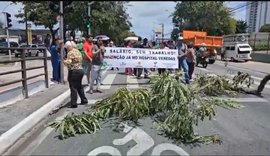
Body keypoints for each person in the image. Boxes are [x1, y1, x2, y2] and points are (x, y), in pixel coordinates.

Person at [63, 41, 88, 108]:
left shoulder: (70, 53)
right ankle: (84, 100)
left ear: (68, 47)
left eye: (66, 48)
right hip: (80, 70)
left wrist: (64, 61)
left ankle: (74, 103)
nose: (66, 49)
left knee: (73, 87)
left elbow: (69, 62)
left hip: (74, 71)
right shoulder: (78, 51)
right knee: (79, 86)